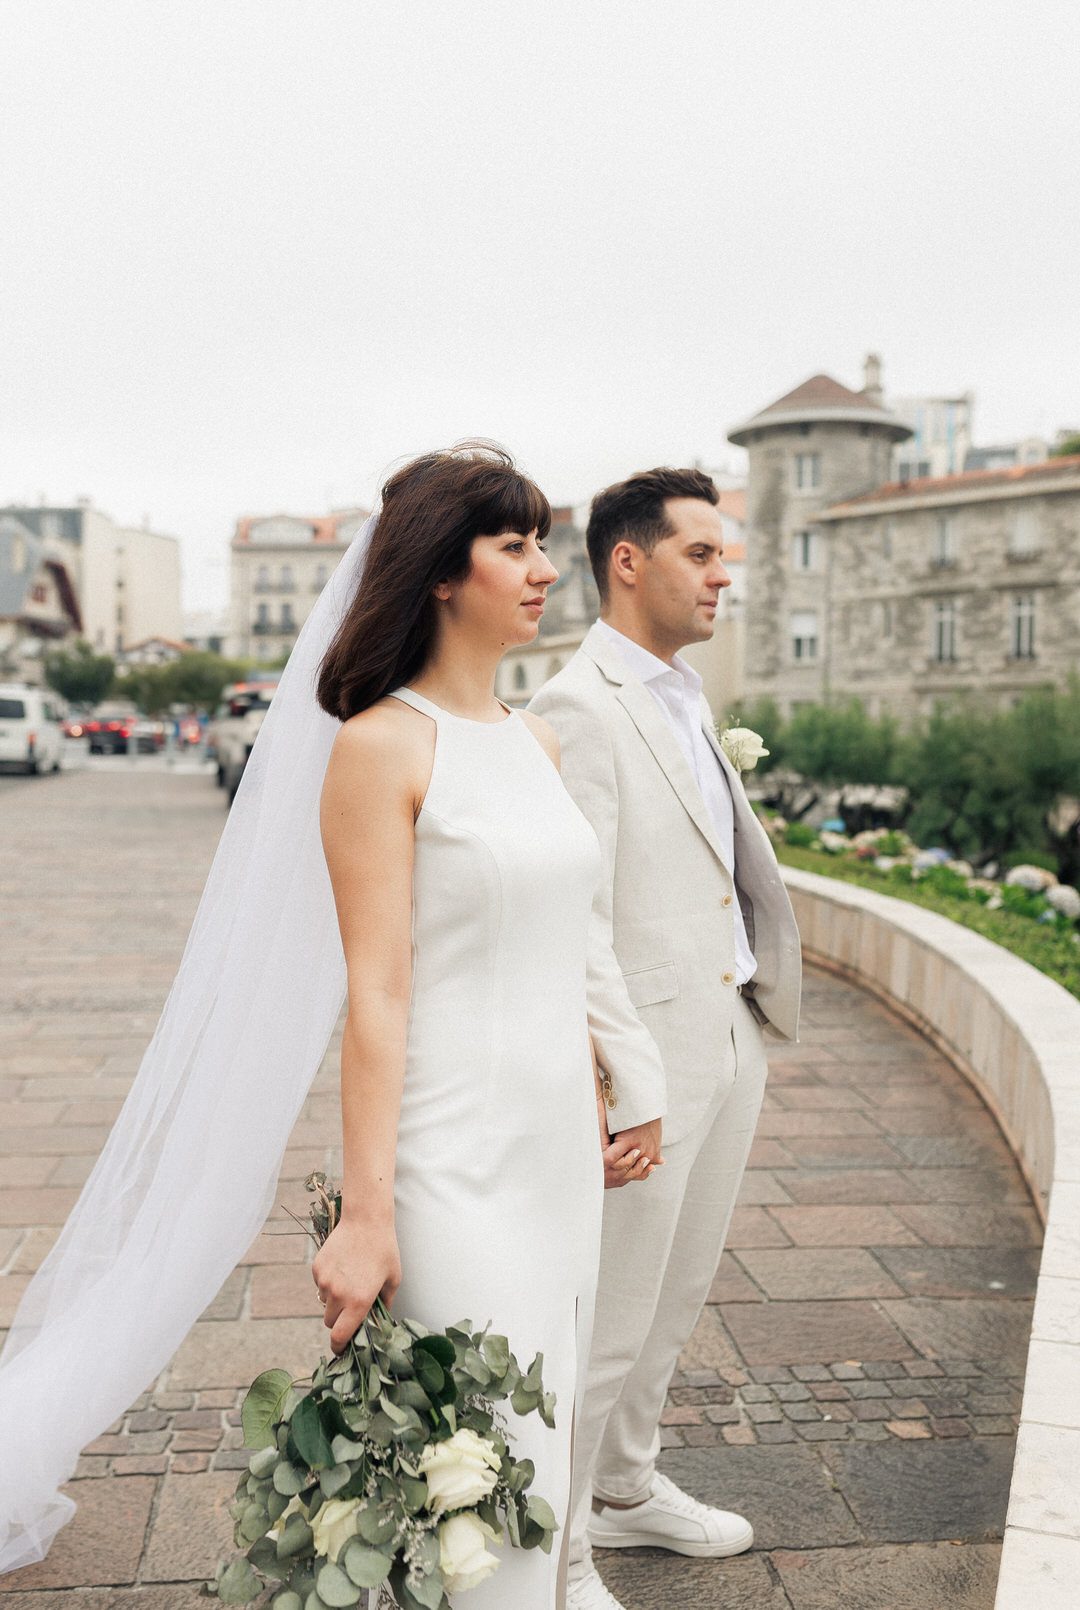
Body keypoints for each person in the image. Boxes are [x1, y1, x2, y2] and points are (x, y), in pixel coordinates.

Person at [0, 446, 657, 1610]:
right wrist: (366, 1213)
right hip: (451, 1154)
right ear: (443, 574)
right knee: (478, 1470)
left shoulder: (538, 739)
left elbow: (575, 937)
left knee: (539, 1445)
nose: (545, 568)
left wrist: (620, 1077)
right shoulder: (379, 746)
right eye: (514, 544)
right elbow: (379, 992)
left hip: (559, 1146)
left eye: (542, 542)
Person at [530, 466, 802, 1610]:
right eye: (702, 552)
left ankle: (630, 1486)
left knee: (680, 1293)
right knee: (614, 1311)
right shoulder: (578, 707)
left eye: (725, 554)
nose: (723, 574)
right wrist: (619, 1076)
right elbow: (576, 918)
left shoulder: (684, 693)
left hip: (731, 1028)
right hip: (646, 1059)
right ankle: (559, 1553)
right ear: (627, 560)